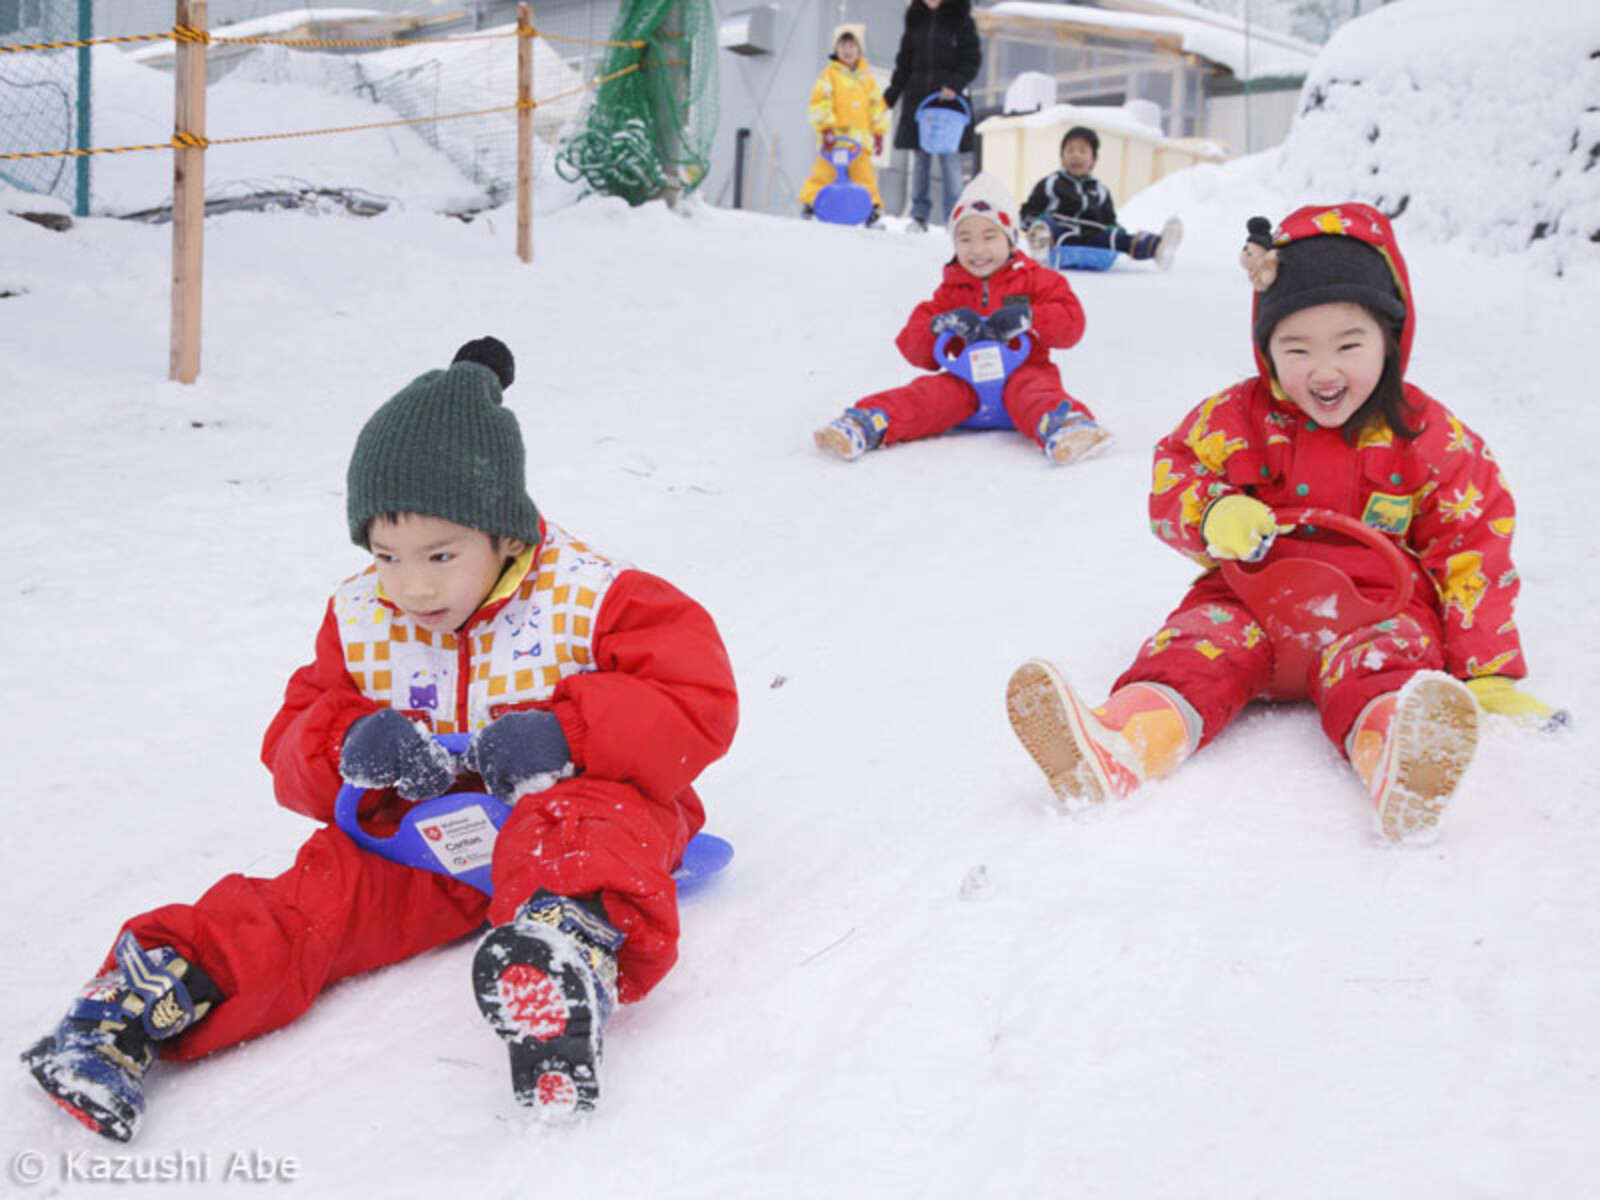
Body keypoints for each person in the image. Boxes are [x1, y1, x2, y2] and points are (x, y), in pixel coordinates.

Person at [21, 338, 739, 1139]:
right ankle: (142, 999)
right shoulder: (363, 617)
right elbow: (295, 732)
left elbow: (695, 697)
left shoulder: (597, 597)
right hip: (424, 843)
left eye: (441, 554)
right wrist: (349, 745)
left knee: (590, 830)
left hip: (564, 807)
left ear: (505, 535)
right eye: (386, 555)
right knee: (311, 905)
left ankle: (562, 957)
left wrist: (567, 732)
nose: (413, 586)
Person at [1007, 204, 1560, 844]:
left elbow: (1474, 544)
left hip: (1378, 609)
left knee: (1387, 669)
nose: (1323, 373)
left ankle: (1400, 763)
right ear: (1268, 350)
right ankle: (1120, 747)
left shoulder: (1428, 436)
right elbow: (1175, 471)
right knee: (1189, 652)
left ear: (1391, 339)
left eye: (1349, 346)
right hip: (1249, 598)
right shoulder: (1238, 416)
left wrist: (1484, 669)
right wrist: (1213, 510)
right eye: (1297, 349)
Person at [814, 173, 1111, 466]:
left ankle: (1068, 428)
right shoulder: (951, 290)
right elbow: (913, 345)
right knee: (924, 397)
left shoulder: (1035, 280)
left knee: (1036, 394)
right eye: (965, 239)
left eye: (989, 236)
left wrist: (1030, 316)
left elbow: (1072, 323)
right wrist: (938, 327)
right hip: (966, 382)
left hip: (1025, 372)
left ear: (1010, 239)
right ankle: (865, 423)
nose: (977, 250)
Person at [1020, 126, 1182, 269]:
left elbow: (1109, 220)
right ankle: (1041, 247)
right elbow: (1028, 210)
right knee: (1046, 226)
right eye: (1069, 150)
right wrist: (1036, 222)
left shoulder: (1101, 190)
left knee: (1117, 238)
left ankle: (1159, 247)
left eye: (1082, 151)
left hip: (1094, 237)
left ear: (1093, 160)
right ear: (1062, 157)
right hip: (1062, 234)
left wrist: (1116, 231)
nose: (1075, 155)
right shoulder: (1050, 183)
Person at [881, 0, 980, 232]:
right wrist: (891, 95)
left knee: (949, 160)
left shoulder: (961, 19)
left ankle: (953, 217)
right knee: (921, 159)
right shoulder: (915, 19)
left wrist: (954, 85)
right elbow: (904, 62)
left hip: (949, 102)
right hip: (919, 101)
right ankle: (919, 215)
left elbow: (972, 60)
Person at [798, 30, 891, 227]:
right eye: (843, 46)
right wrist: (826, 128)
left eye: (852, 46)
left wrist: (879, 133)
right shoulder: (828, 76)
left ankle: (871, 210)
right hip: (835, 141)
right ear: (836, 50)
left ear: (859, 50)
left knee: (864, 177)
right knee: (824, 174)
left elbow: (876, 107)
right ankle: (811, 205)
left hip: (859, 143)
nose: (847, 51)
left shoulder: (867, 80)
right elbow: (820, 102)